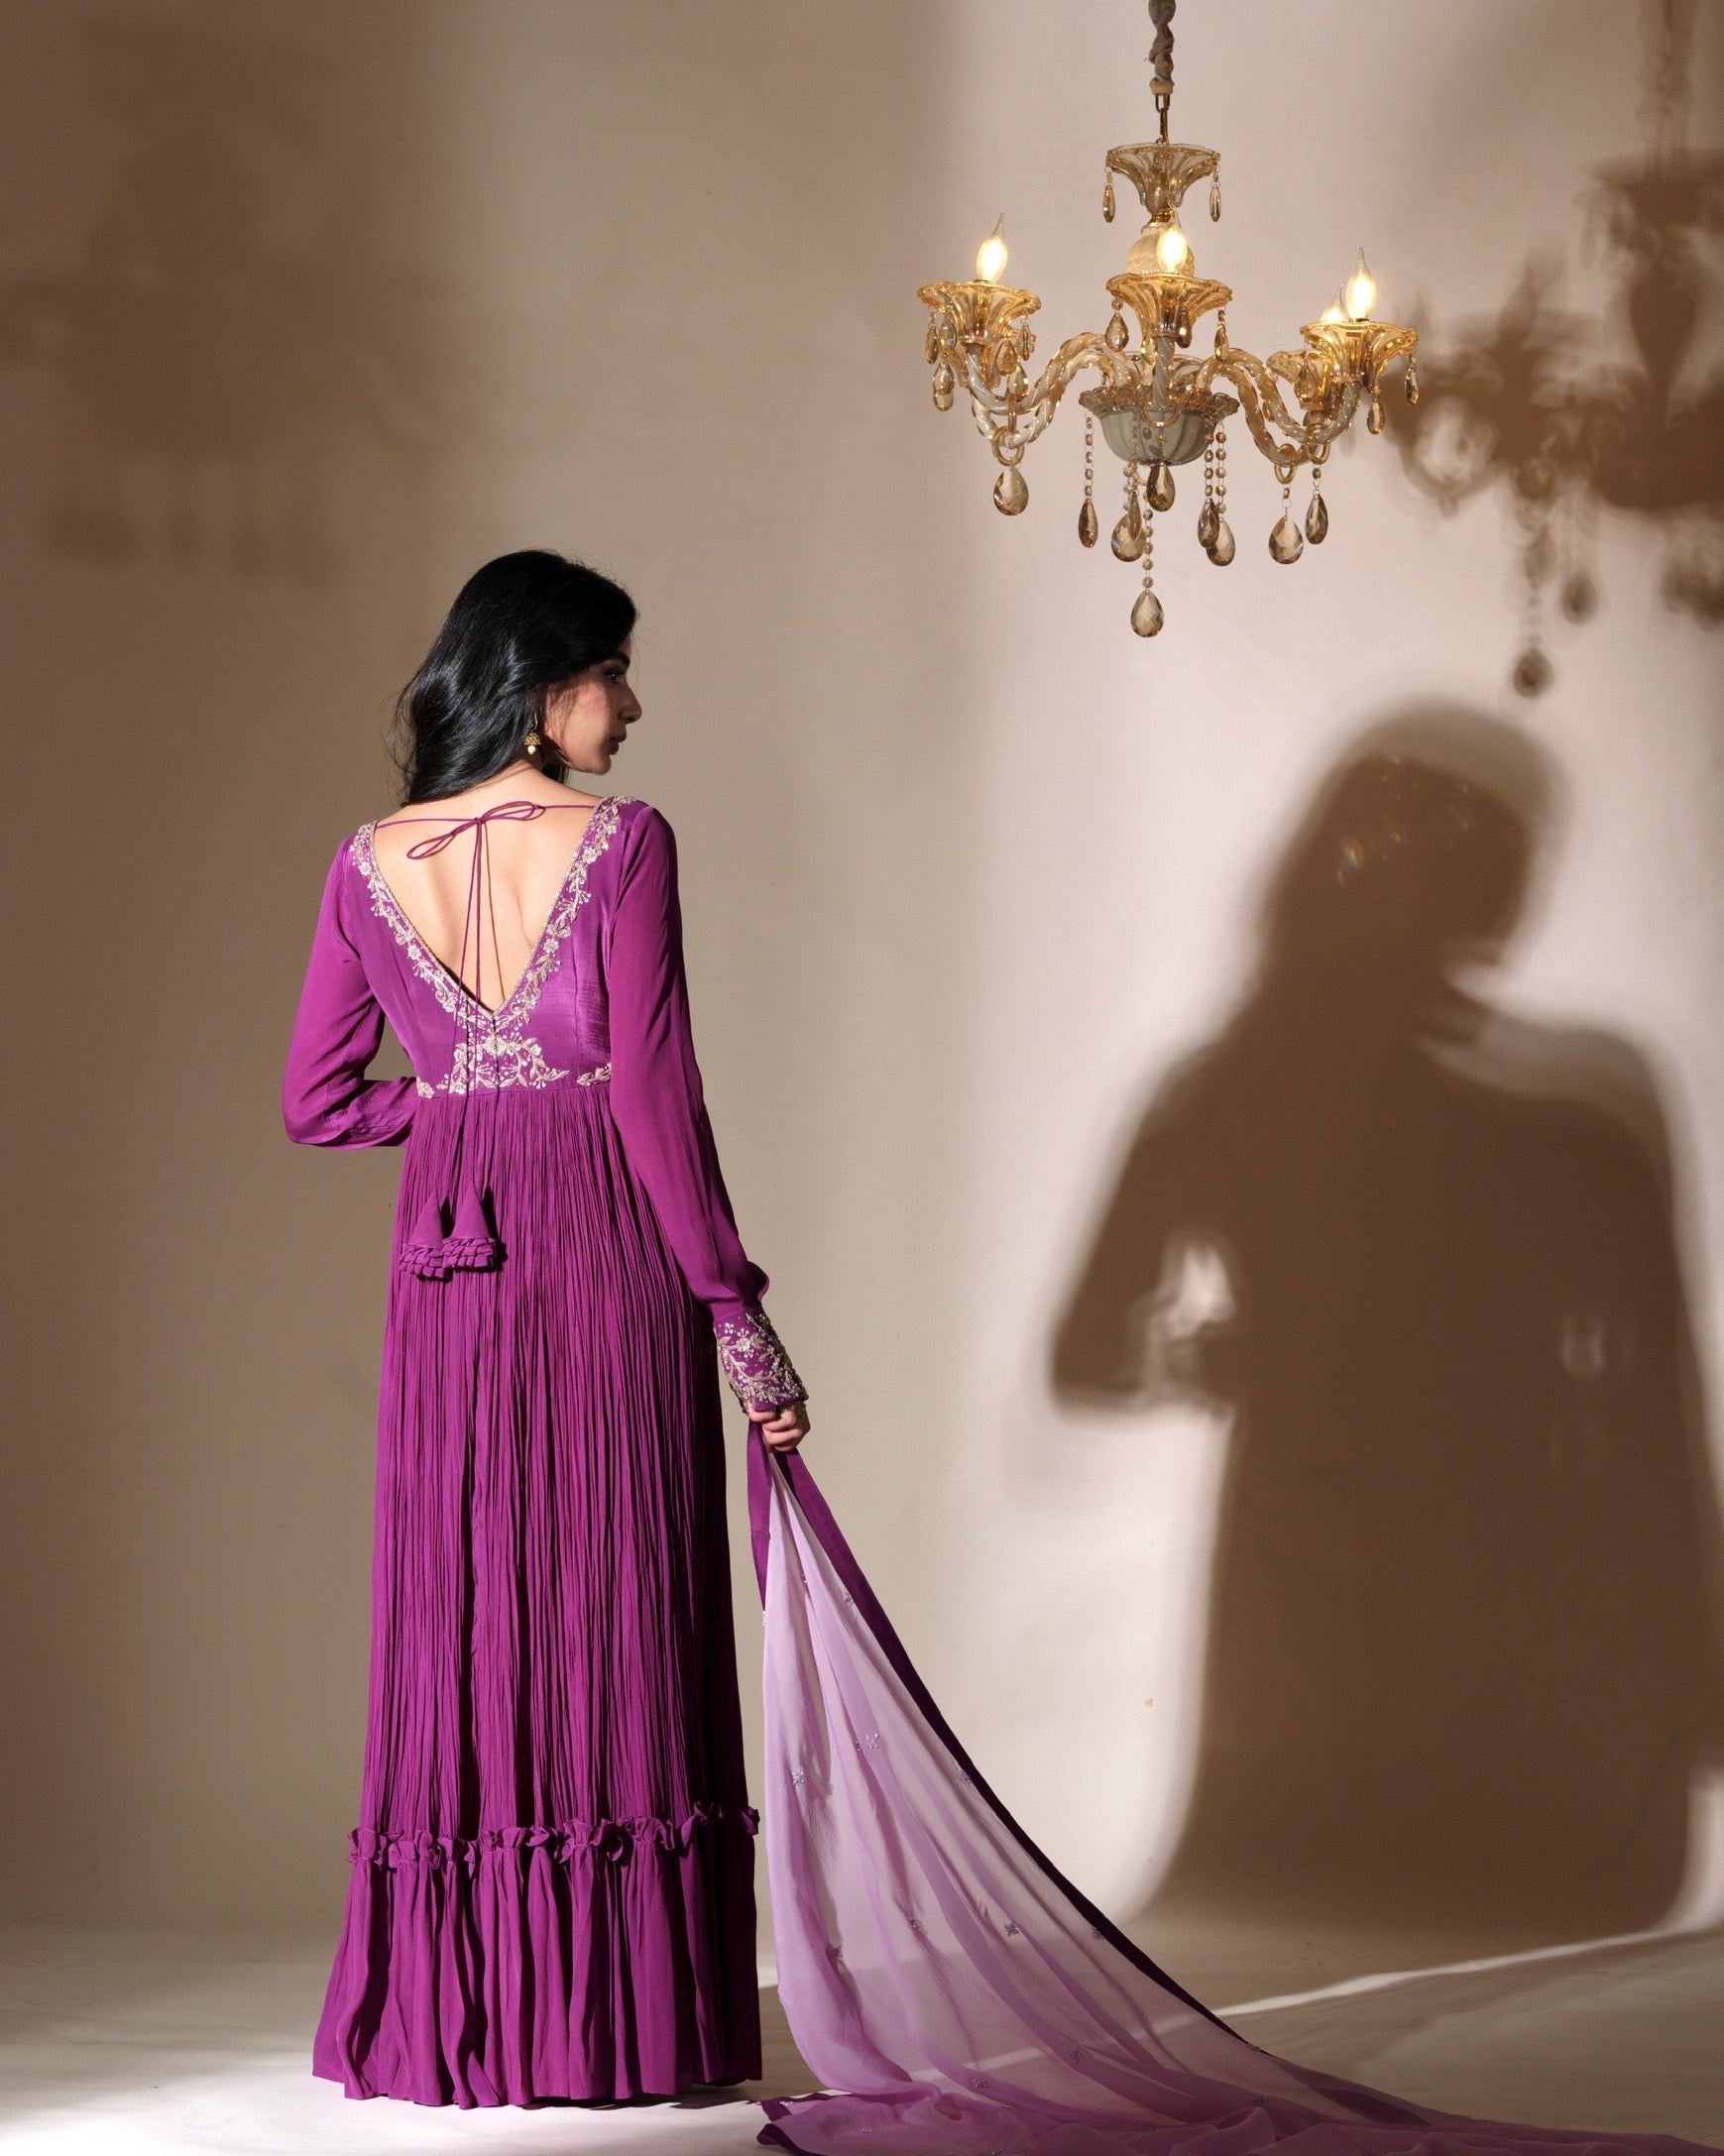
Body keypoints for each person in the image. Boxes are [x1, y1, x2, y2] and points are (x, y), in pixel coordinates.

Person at [284, 548, 808, 2108]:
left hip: (451, 1270)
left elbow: (314, 1104)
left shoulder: (366, 860)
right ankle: (623, 2027)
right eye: (613, 674)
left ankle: (455, 2026)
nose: (632, 706)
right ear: (539, 679)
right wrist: (741, 1317)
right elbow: (655, 1100)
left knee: (472, 1607)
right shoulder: (628, 843)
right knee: (618, 1600)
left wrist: (455, 1102)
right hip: (600, 1254)